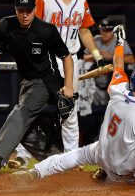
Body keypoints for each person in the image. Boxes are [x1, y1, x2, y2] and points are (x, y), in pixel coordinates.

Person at [8, 0, 105, 170]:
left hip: (70, 59)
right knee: (31, 107)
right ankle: (23, 155)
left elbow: (85, 30)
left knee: (69, 111)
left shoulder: (82, 0)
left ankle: (70, 158)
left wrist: (97, 54)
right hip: (45, 60)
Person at [11, 25, 135, 186]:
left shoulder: (117, 88)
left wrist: (119, 43)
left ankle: (36, 171)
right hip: (122, 171)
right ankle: (109, 176)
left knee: (70, 157)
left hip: (102, 152)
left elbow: (118, 66)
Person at [0, 0, 74, 174]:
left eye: (28, 10)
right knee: (32, 124)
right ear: (15, 10)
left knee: (22, 111)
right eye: (21, 10)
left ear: (35, 10)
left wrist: (68, 85)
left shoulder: (46, 30)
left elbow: (66, 57)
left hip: (47, 80)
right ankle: (56, 160)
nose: (24, 14)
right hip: (27, 81)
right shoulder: (5, 25)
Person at [84, 18, 134, 107]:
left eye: (108, 30)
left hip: (113, 86)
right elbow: (84, 58)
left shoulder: (118, 41)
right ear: (100, 30)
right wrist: (96, 55)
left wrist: (110, 56)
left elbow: (131, 59)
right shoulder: (96, 40)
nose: (105, 33)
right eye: (103, 30)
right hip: (95, 86)